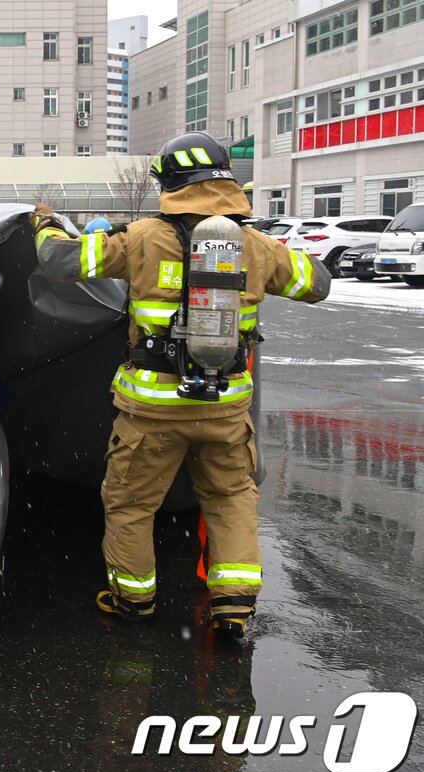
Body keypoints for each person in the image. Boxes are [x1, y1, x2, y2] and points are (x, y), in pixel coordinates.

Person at [31, 132, 332, 639]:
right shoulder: (254, 247)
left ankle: (133, 600)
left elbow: (60, 263)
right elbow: (318, 284)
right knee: (231, 497)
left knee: (131, 505)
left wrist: (43, 223)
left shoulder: (144, 238)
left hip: (151, 411)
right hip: (226, 410)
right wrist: (268, 250)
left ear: (171, 183)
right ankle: (233, 604)